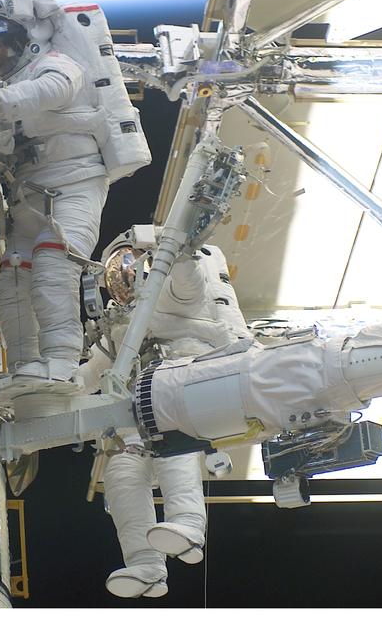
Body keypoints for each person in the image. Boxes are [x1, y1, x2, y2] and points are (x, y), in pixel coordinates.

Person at [85, 229, 253, 598]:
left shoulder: (176, 293)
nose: (122, 281)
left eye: (127, 270)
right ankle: (145, 563)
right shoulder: (119, 322)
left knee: (170, 449)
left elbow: (189, 280)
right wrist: (57, 389)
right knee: (121, 471)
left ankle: (188, 525)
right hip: (139, 404)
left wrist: (176, 249)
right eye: (115, 276)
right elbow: (93, 370)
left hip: (183, 386)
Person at [0, 0, 109, 382]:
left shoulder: (56, 65)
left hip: (74, 186)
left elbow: (52, 90)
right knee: (13, 277)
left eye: (2, 43)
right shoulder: (0, 88)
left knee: (53, 264)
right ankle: (25, 367)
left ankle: (62, 361)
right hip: (28, 200)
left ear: (29, 39)